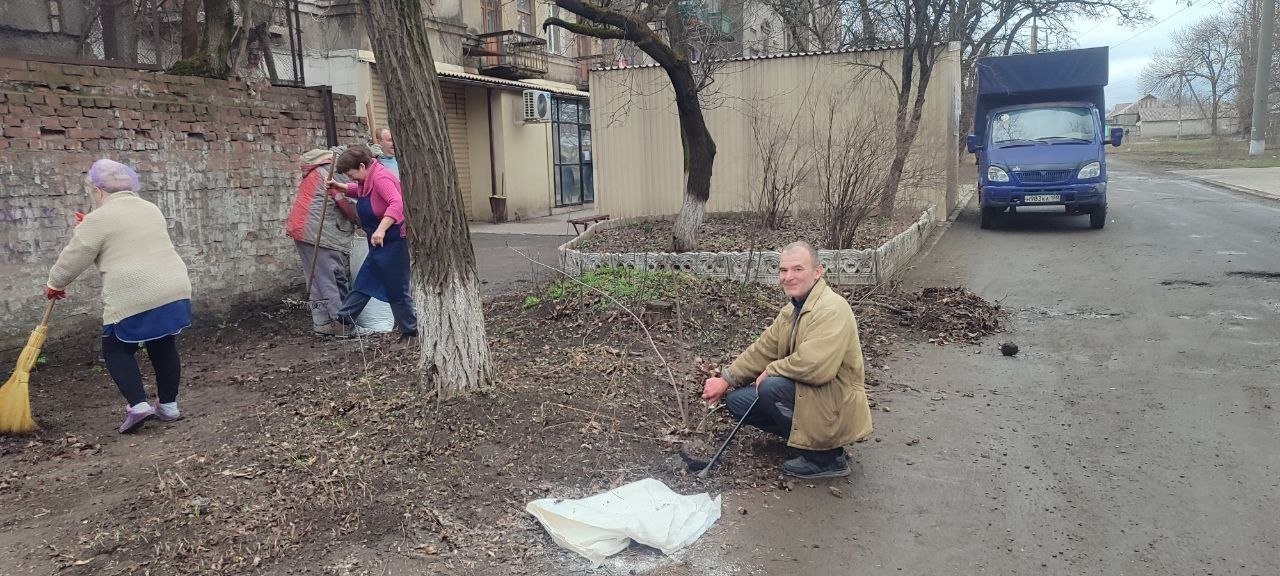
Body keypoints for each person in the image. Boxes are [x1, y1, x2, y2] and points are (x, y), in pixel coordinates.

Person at [701, 241, 873, 478]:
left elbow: (816, 367)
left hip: (835, 403)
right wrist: (726, 379)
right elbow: (762, 350)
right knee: (737, 402)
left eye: (797, 269)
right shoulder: (792, 311)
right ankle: (804, 441)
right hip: (814, 399)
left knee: (772, 387)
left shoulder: (832, 308)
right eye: (783, 270)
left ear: (817, 272)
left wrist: (772, 370)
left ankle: (828, 458)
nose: (788, 276)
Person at [45, 159, 194, 434]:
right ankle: (169, 406)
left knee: (115, 347)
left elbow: (74, 257)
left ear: (99, 190)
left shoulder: (98, 219)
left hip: (135, 292)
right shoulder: (150, 208)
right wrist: (87, 225)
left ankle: (138, 406)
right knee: (162, 343)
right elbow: (122, 234)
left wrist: (55, 283)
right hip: (173, 284)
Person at [326, 146, 418, 342]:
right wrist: (341, 187)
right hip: (378, 243)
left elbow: (397, 203)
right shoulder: (368, 179)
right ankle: (344, 320)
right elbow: (363, 192)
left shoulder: (381, 178)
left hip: (393, 240)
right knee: (364, 281)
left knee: (396, 288)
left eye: (352, 175)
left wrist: (382, 229)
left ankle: (410, 333)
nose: (352, 180)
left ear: (361, 166)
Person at [286, 148, 358, 337]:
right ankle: (342, 323)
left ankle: (322, 323)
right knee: (333, 277)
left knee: (316, 278)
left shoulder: (317, 168)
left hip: (301, 230)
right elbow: (348, 206)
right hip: (321, 232)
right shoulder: (334, 169)